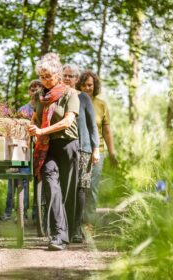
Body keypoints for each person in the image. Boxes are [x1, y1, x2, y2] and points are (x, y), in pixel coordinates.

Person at [29, 53, 80, 251]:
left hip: (68, 144)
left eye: (49, 76)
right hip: (47, 147)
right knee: (51, 186)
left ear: (58, 74)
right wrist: (31, 128)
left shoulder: (69, 94)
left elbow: (68, 121)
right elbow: (35, 117)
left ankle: (68, 231)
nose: (45, 80)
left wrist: (42, 130)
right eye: (42, 76)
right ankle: (59, 236)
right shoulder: (40, 96)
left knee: (66, 192)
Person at [76, 70, 118, 232]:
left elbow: (107, 131)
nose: (87, 88)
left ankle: (89, 223)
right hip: (79, 150)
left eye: (90, 85)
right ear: (79, 85)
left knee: (91, 188)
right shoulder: (76, 101)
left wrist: (112, 152)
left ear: (95, 86)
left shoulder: (101, 105)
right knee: (79, 188)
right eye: (84, 85)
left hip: (97, 151)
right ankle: (76, 223)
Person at [63, 64, 99, 243]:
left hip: (84, 149)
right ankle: (63, 228)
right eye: (65, 76)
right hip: (64, 148)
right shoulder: (59, 97)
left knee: (81, 189)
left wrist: (96, 149)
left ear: (77, 80)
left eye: (71, 76)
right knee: (65, 189)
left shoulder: (84, 98)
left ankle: (76, 228)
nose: (68, 79)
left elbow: (93, 126)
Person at [0, 79, 42, 222]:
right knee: (17, 180)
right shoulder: (23, 109)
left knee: (38, 183)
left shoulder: (44, 107)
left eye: (38, 89)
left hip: (39, 149)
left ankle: (37, 213)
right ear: (29, 91)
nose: (34, 91)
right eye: (32, 89)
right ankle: (15, 212)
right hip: (23, 150)